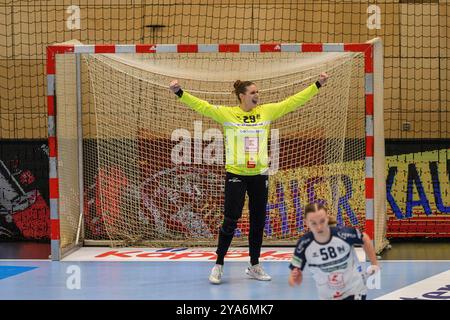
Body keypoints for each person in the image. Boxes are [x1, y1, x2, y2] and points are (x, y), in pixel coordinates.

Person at [169, 73, 329, 284]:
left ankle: (254, 265)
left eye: (258, 92)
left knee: (257, 222)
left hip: (259, 175)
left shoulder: (267, 111)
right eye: (253, 92)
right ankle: (218, 265)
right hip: (236, 175)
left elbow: (293, 101)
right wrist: (180, 93)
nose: (257, 95)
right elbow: (202, 106)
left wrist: (316, 85)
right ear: (242, 96)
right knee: (230, 221)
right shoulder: (228, 114)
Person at [288, 202, 380, 300]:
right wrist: (295, 277)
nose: (319, 227)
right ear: (306, 222)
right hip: (328, 296)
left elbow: (364, 238)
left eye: (322, 221)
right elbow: (294, 277)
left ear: (327, 218)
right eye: (313, 223)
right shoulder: (304, 244)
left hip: (354, 290)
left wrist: (374, 264)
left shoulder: (343, 234)